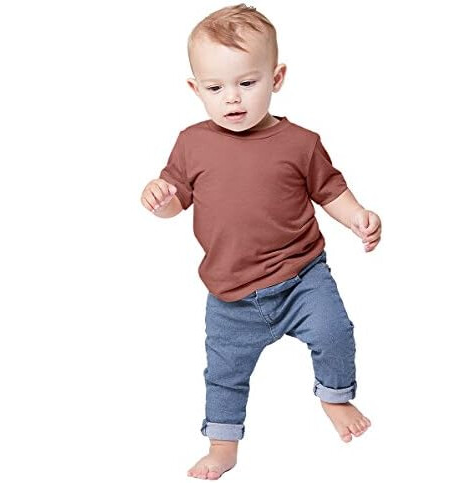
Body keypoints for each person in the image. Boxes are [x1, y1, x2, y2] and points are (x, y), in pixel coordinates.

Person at [140, 4, 382, 480]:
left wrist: (356, 216)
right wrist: (160, 199)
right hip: (230, 293)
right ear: (195, 89)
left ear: (277, 78)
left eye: (247, 83)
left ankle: (335, 397)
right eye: (215, 88)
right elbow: (176, 201)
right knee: (224, 374)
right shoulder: (192, 143)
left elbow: (330, 190)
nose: (232, 98)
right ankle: (222, 446)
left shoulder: (301, 142)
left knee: (335, 332)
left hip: (301, 276)